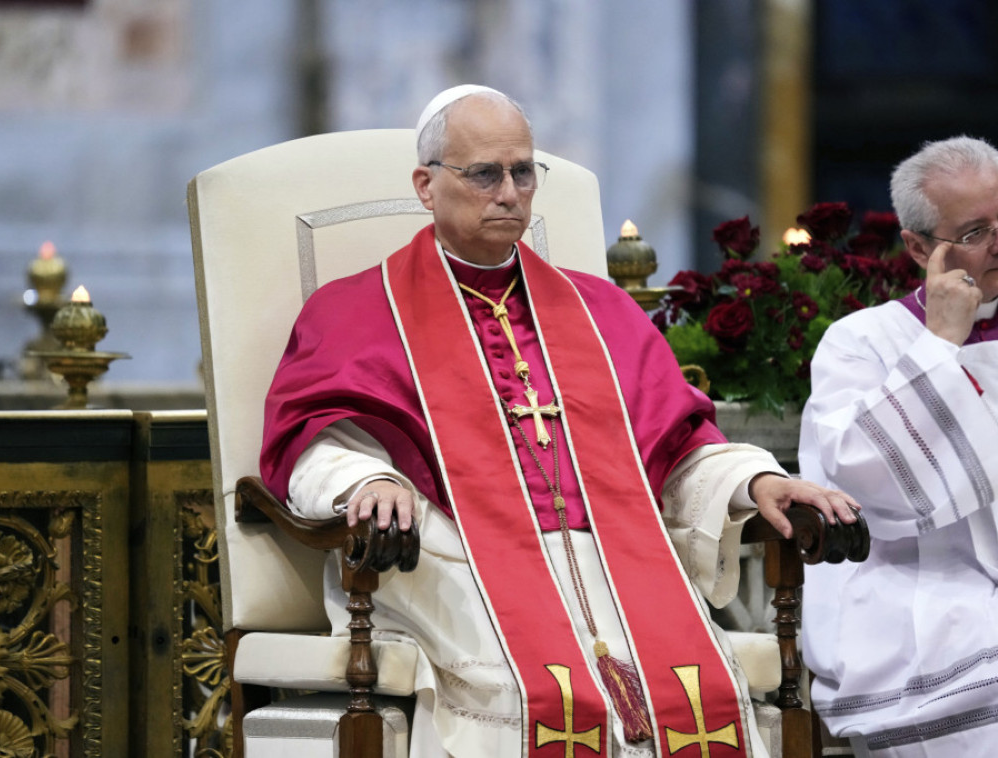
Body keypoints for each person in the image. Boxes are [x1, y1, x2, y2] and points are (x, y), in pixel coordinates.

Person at [261, 84, 859, 758]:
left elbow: (679, 443)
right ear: (426, 185)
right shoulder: (358, 311)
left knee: (688, 695)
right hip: (457, 558)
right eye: (485, 173)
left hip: (616, 559)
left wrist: (757, 482)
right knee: (547, 695)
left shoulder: (600, 311)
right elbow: (321, 433)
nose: (510, 192)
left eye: (523, 171)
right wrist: (366, 483)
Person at [799, 135, 998, 757]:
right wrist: (940, 342)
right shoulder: (861, 341)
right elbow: (866, 481)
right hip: (918, 586)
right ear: (917, 248)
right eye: (975, 231)